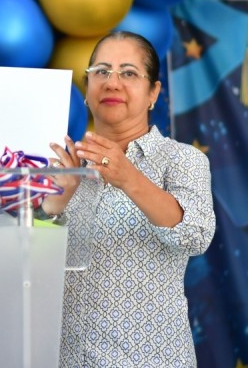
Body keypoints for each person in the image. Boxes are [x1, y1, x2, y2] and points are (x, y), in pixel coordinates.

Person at [41, 31, 216, 367]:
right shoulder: (64, 165)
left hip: (150, 358)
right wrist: (55, 205)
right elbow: (23, 259)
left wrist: (129, 177)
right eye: (101, 71)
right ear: (87, 90)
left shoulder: (181, 160)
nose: (112, 83)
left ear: (153, 93)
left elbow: (196, 235)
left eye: (129, 73)